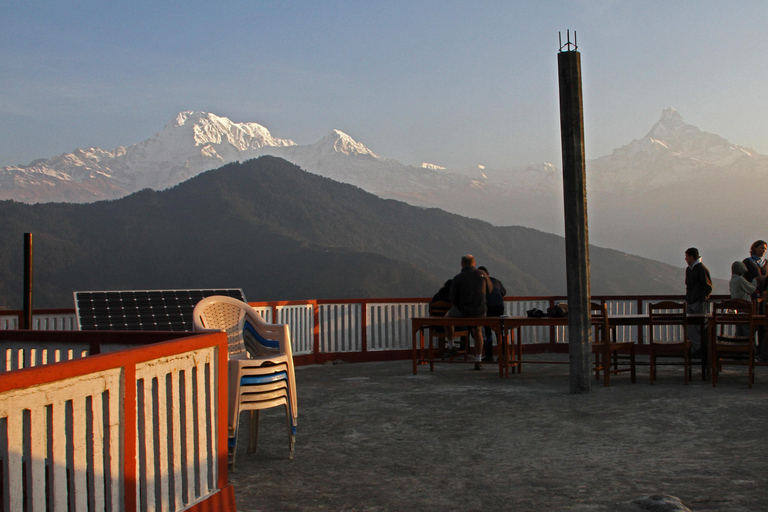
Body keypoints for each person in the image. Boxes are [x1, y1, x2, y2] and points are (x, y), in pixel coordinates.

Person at [444, 254, 492, 369]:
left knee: (446, 318)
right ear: (474, 263)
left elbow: (454, 299)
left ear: (462, 264)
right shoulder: (483, 274)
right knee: (478, 332)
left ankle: (451, 347)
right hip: (480, 312)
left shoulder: (458, 278)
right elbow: (489, 290)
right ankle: (478, 360)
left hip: (464, 311)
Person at [684, 247, 712, 359]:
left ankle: (699, 347)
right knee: (690, 325)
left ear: (691, 256)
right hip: (691, 301)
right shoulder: (689, 269)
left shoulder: (701, 269)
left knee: (697, 326)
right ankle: (699, 347)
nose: (685, 258)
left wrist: (702, 298)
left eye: (686, 256)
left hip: (698, 302)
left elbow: (708, 286)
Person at [742, 240, 768, 361]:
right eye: (762, 248)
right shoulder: (747, 262)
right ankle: (750, 350)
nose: (764, 250)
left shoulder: (766, 263)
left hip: (764, 300)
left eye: (765, 249)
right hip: (752, 298)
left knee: (763, 325)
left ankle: (762, 352)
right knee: (752, 325)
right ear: (755, 248)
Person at [477, 266, 506, 362]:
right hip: (499, 307)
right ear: (488, 274)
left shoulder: (479, 283)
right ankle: (503, 355)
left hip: (487, 307)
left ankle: (489, 356)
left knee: (487, 332)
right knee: (500, 331)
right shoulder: (496, 281)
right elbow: (503, 292)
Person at [730, 260, 757, 339]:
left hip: (738, 310)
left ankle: (738, 349)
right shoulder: (740, 280)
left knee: (739, 331)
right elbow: (752, 289)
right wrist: (755, 280)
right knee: (746, 333)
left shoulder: (732, 280)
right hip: (745, 310)